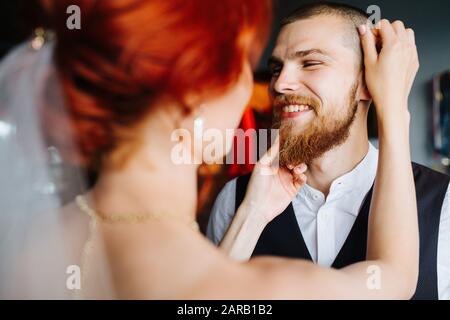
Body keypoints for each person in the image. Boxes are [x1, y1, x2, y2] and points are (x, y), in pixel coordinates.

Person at [0, 0, 419, 299]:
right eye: (252, 67)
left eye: (310, 63)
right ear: (197, 89)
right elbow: (394, 278)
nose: (275, 86)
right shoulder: (268, 287)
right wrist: (394, 110)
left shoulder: (27, 248)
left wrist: (252, 214)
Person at [207, 3, 450, 300]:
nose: (279, 84)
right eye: (275, 69)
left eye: (310, 63)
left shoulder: (444, 204)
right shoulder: (235, 201)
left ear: (367, 81)